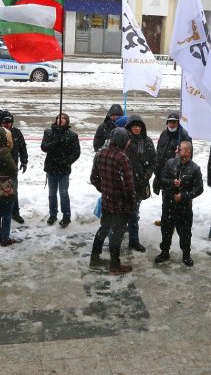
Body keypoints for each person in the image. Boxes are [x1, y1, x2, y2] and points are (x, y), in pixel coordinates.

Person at [89, 127, 136, 275]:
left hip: (107, 201)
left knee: (103, 229)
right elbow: (129, 186)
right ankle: (115, 266)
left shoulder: (101, 154)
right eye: (127, 140)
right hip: (120, 205)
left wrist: (105, 190)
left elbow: (93, 178)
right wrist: (131, 202)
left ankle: (94, 258)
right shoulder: (122, 158)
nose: (129, 143)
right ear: (122, 141)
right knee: (116, 235)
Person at [155, 141, 203, 267]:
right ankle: (164, 252)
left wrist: (183, 196)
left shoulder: (195, 168)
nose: (176, 151)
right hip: (168, 205)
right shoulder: (170, 163)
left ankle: (186, 254)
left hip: (184, 208)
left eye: (180, 149)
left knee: (185, 232)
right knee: (166, 229)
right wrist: (172, 182)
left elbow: (199, 189)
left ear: (188, 152)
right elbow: (162, 179)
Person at [41, 113, 80, 227]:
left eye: (63, 118)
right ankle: (53, 214)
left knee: (63, 193)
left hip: (64, 169)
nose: (60, 120)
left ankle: (66, 216)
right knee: (52, 194)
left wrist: (66, 162)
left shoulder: (72, 135)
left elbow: (76, 153)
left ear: (67, 121)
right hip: (51, 168)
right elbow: (44, 147)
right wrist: (56, 141)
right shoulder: (48, 132)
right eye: (58, 118)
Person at [123, 115, 156, 252]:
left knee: (134, 213)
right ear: (129, 127)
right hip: (125, 183)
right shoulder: (125, 141)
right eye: (133, 126)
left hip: (140, 183)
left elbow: (154, 160)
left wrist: (147, 174)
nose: (136, 128)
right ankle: (119, 236)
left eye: (139, 126)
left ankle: (134, 240)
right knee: (124, 212)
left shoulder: (147, 141)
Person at [0, 110, 28, 223]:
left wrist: (24, 161)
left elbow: (23, 148)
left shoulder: (17, 133)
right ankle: (0, 213)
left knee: (13, 190)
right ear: (0, 122)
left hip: (13, 168)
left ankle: (15, 213)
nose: (8, 124)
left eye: (10, 122)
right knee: (0, 192)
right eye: (5, 122)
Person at [153, 111, 191, 196]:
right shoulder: (164, 134)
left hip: (176, 173)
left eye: (174, 122)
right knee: (166, 199)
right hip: (164, 173)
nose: (172, 124)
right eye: (170, 122)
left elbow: (189, 155)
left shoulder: (184, 135)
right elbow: (158, 151)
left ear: (178, 123)